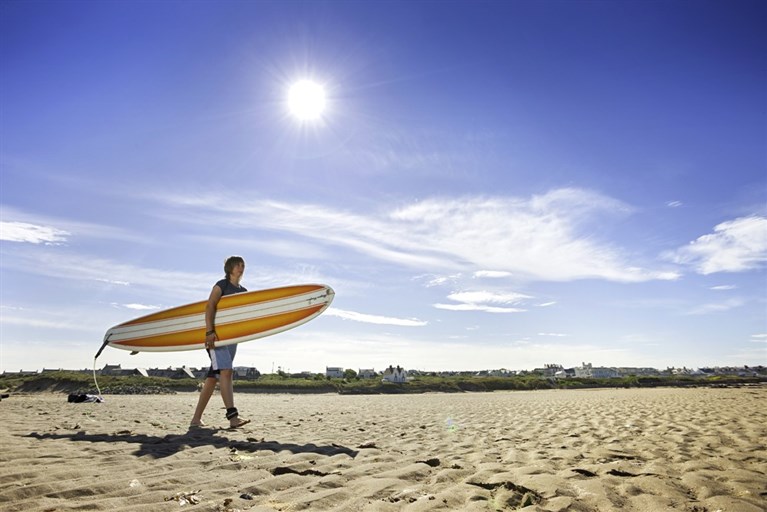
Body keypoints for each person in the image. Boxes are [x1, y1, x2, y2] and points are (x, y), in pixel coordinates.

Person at [190, 256, 251, 429]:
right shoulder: (222, 285)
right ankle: (233, 417)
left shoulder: (244, 291)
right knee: (226, 371)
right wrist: (209, 332)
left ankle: (196, 419)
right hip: (216, 338)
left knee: (213, 378)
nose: (241, 268)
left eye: (243, 265)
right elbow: (210, 306)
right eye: (238, 265)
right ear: (230, 268)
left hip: (232, 340)